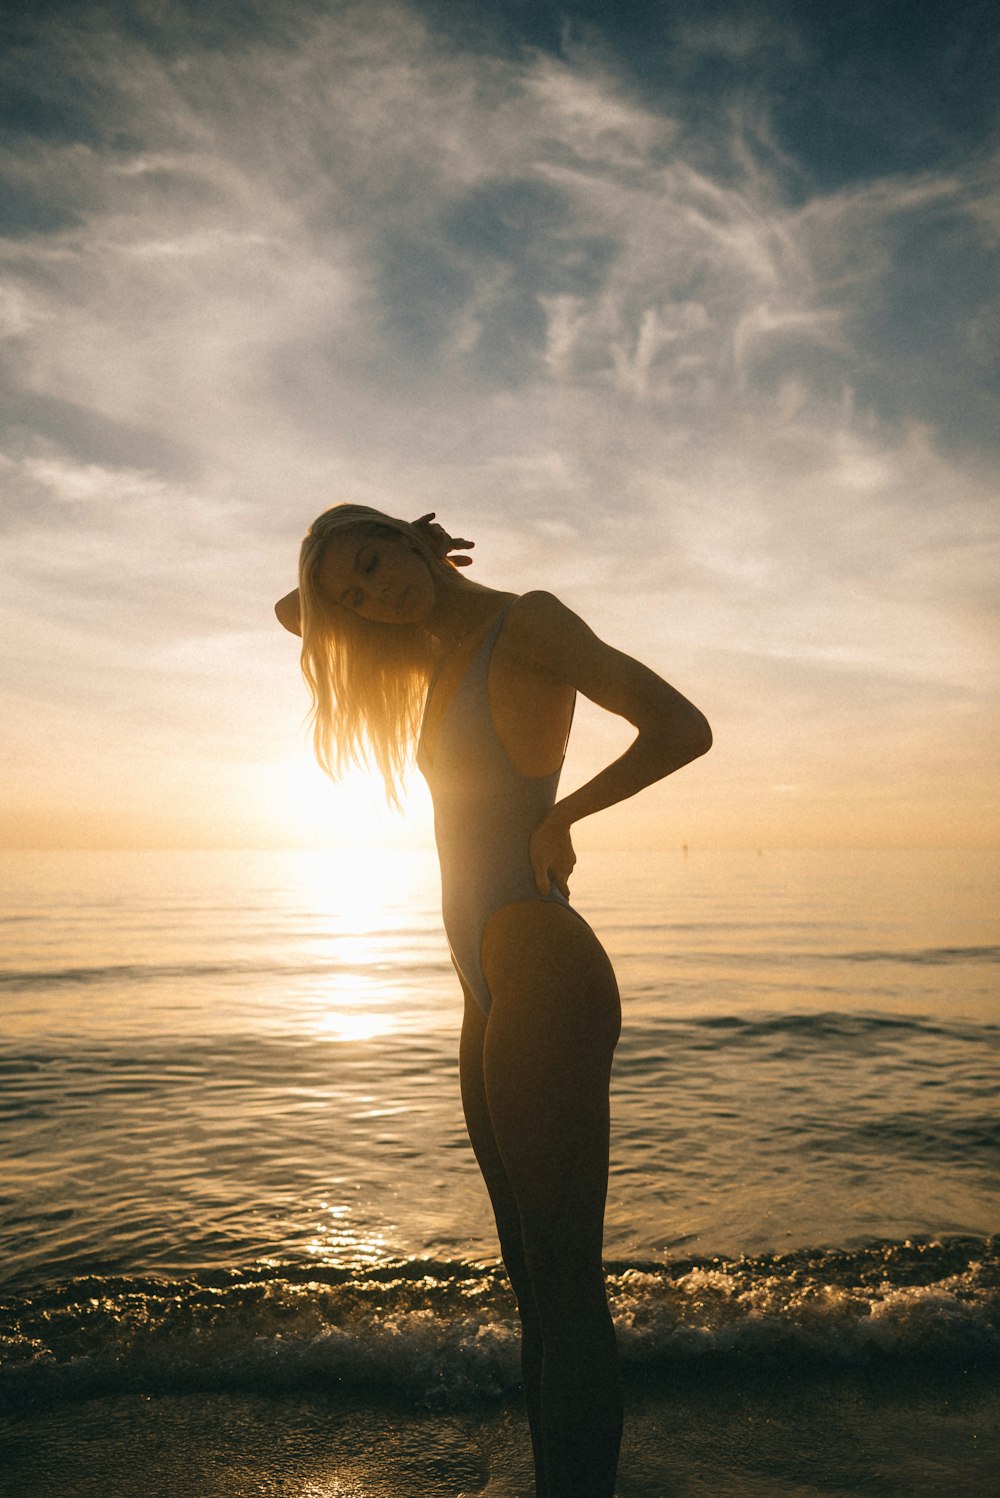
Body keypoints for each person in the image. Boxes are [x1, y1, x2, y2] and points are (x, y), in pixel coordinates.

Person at [275, 504, 711, 1498]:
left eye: (376, 562)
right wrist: (375, 571)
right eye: (351, 590)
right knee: (529, 1283)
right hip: (482, 984)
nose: (369, 595)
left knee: (566, 1285)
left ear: (412, 536)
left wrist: (567, 811)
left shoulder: (530, 623)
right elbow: (290, 612)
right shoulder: (428, 647)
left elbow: (682, 726)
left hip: (537, 952)